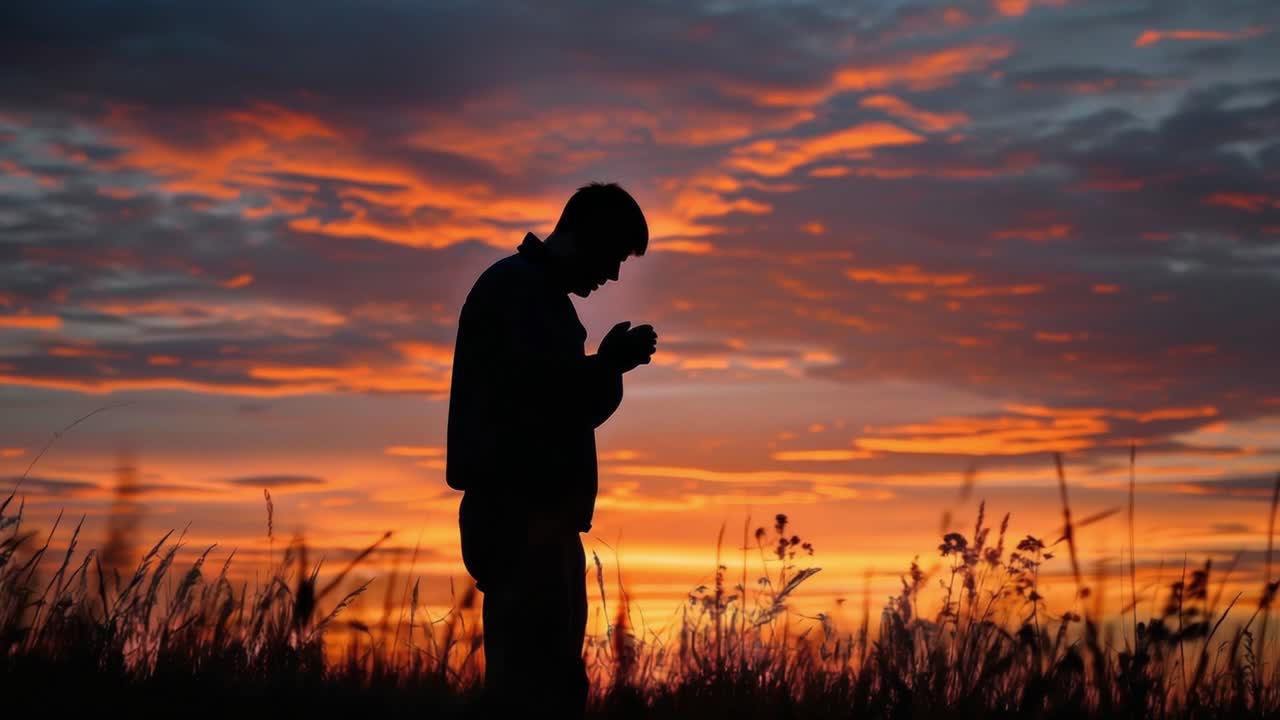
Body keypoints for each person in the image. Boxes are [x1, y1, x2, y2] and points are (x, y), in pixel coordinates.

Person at [445, 181, 658, 717]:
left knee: (549, 685)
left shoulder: (531, 293)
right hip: (524, 522)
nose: (610, 275)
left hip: (537, 523)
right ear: (584, 236)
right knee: (535, 692)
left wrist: (606, 366)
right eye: (611, 257)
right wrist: (607, 366)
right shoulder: (522, 293)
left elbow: (548, 399)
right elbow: (544, 407)